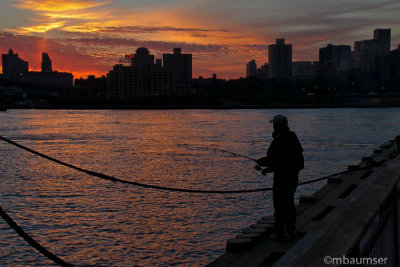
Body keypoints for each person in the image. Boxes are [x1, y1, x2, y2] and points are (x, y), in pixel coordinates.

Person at [256, 115, 304, 241]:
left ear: (282, 124)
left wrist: (261, 162)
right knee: (289, 203)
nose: (274, 126)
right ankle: (290, 231)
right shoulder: (293, 137)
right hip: (293, 177)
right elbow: (285, 160)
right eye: (274, 124)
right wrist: (267, 169)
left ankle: (280, 234)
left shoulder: (278, 140)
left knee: (279, 205)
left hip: (282, 179)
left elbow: (273, 159)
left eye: (276, 124)